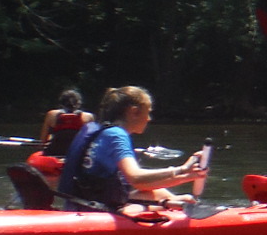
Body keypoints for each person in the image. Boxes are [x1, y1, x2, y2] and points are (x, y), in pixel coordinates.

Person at [56, 86, 204, 212]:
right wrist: (181, 170)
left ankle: (180, 204)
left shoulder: (103, 130)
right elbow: (136, 177)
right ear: (133, 112)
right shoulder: (117, 135)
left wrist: (186, 176)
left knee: (160, 193)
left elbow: (139, 184)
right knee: (175, 200)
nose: (149, 118)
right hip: (94, 210)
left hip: (82, 203)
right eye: (148, 112)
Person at [34, 90, 93, 159]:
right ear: (79, 103)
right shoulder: (88, 116)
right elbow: (90, 141)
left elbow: (43, 141)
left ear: (61, 103)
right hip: (77, 155)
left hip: (54, 153)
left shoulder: (51, 114)